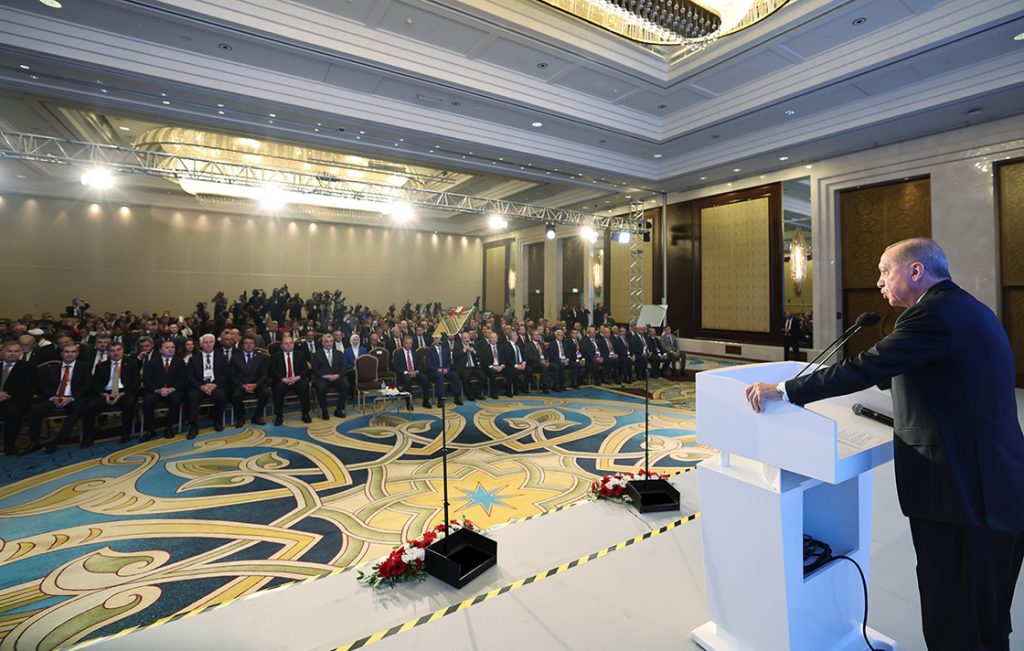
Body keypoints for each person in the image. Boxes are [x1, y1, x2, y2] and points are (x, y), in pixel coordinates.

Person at [744, 238, 1024, 651]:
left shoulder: (931, 314)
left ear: (916, 271)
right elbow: (936, 375)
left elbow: (866, 367)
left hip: (962, 495)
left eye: (884, 271)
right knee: (987, 616)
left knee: (956, 619)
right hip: (998, 484)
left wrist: (784, 390)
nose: (878, 282)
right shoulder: (966, 307)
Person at [28, 342, 94, 452]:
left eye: (73, 352)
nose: (70, 354)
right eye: (67, 352)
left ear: (77, 354)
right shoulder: (52, 368)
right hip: (54, 398)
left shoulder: (85, 367)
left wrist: (71, 398)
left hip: (74, 398)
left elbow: (87, 386)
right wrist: (52, 397)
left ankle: (57, 440)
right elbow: (45, 386)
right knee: (35, 409)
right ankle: (34, 442)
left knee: (77, 410)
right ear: (61, 354)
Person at [87, 342, 140, 444]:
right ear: (108, 352)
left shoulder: (131, 364)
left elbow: (135, 382)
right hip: (106, 393)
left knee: (129, 404)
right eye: (112, 350)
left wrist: (122, 394)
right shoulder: (101, 366)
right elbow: (96, 384)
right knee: (89, 406)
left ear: (123, 350)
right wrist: (104, 394)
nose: (116, 353)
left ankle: (125, 433)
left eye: (119, 350)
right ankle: (88, 436)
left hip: (124, 392)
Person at [185, 334, 228, 439]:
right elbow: (190, 376)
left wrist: (215, 385)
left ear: (214, 343)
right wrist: (201, 386)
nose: (208, 344)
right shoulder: (194, 359)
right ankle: (193, 426)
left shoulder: (222, 357)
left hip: (215, 385)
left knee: (221, 396)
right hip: (199, 386)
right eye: (205, 342)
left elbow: (226, 374)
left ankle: (217, 421)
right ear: (201, 345)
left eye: (210, 342)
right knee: (192, 397)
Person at [142, 340, 186, 440]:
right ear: (160, 350)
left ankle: (168, 427)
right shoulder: (152, 362)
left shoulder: (179, 362)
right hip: (156, 391)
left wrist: (172, 389)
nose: (170, 349)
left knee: (176, 400)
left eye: (172, 347)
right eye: (167, 347)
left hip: (172, 391)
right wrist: (158, 390)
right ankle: (150, 430)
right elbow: (147, 379)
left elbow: (182, 379)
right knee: (148, 402)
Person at [270, 336, 312, 426]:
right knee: (278, 388)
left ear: (293, 344)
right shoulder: (275, 356)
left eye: (291, 343)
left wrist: (297, 377)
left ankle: (305, 413)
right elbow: (272, 370)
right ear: (281, 346)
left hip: (296, 379)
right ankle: (279, 415)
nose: (288, 345)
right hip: (282, 380)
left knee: (304, 386)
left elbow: (305, 369)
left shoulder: (300, 354)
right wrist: (283, 379)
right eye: (286, 343)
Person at [228, 335, 269, 426]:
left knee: (265, 392)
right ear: (242, 345)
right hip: (241, 384)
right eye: (246, 343)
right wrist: (242, 385)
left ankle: (257, 416)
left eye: (251, 343)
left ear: (254, 345)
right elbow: (232, 375)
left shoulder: (261, 357)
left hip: (257, 383)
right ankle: (241, 416)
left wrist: (256, 384)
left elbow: (264, 374)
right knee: (235, 395)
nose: (249, 345)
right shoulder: (235, 358)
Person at [1, 340, 33, 455]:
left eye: (16, 351)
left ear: (20, 353)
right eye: (9, 351)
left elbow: (28, 387)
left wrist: (6, 394)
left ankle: (9, 445)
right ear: (2, 352)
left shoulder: (27, 367)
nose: (13, 354)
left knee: (13, 413)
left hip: (16, 399)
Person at [312, 333, 348, 419]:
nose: (329, 343)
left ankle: (339, 409)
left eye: (331, 341)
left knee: (346, 385)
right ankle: (324, 411)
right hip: (323, 378)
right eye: (327, 341)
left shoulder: (339, 353)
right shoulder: (316, 354)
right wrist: (325, 376)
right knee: (320, 388)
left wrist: (338, 375)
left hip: (336, 377)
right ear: (323, 343)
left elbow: (343, 367)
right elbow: (314, 370)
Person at [392, 336, 431, 409]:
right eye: (407, 343)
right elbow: (395, 366)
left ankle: (426, 401)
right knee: (407, 380)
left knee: (424, 378)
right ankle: (409, 402)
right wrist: (406, 372)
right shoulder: (397, 353)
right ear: (403, 343)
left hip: (414, 373)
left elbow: (420, 365)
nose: (409, 345)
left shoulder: (415, 352)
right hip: (404, 374)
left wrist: (416, 371)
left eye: (410, 343)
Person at [425, 333, 463, 405]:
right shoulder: (430, 351)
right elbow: (429, 365)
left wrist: (447, 368)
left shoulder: (445, 349)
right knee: (440, 376)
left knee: (455, 375)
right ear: (433, 340)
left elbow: (449, 361)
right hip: (434, 371)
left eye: (440, 339)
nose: (439, 340)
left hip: (444, 369)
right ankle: (440, 398)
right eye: (437, 339)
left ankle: (457, 396)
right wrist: (437, 369)